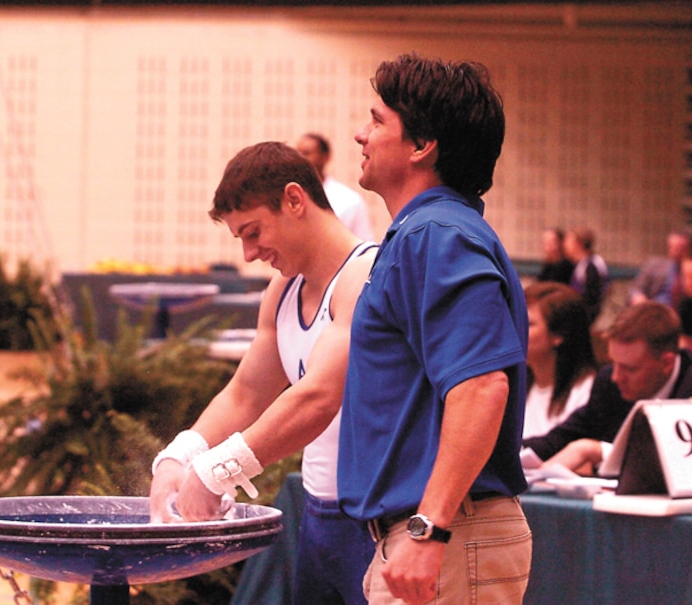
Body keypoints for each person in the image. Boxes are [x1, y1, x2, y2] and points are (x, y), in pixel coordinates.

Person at [338, 53, 531, 605]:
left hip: (447, 534)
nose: (360, 134)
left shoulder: (436, 236)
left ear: (422, 146)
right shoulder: (433, 233)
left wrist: (430, 529)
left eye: (377, 121)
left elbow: (480, 386)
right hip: (437, 535)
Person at [149, 141, 378, 605]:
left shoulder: (367, 274)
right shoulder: (282, 291)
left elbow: (319, 397)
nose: (250, 254)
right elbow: (247, 394)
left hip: (376, 520)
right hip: (319, 517)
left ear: (295, 200)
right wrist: (181, 455)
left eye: (254, 232)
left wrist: (218, 470)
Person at [521, 301, 692, 474]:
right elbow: (560, 439)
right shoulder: (608, 384)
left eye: (630, 369)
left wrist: (597, 450)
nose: (616, 377)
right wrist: (508, 453)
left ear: (666, 363)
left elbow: (680, 466)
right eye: (614, 363)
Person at [523, 281, 598, 439]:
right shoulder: (515, 386)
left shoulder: (586, 393)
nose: (515, 330)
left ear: (558, 335)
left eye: (528, 324)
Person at [296, 132, 376, 241]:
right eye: (297, 153)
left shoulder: (350, 201)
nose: (300, 159)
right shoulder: (288, 195)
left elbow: (363, 245)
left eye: (306, 153)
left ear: (325, 157)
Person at [628, 230, 690, 307]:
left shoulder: (688, 270)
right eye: (674, 248)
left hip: (683, 314)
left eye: (681, 248)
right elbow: (636, 290)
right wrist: (640, 300)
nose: (677, 252)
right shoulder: (654, 266)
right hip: (653, 310)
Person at [564, 226, 609, 323]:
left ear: (578, 244)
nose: (565, 245)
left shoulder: (592, 264)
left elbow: (592, 299)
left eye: (568, 241)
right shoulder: (581, 264)